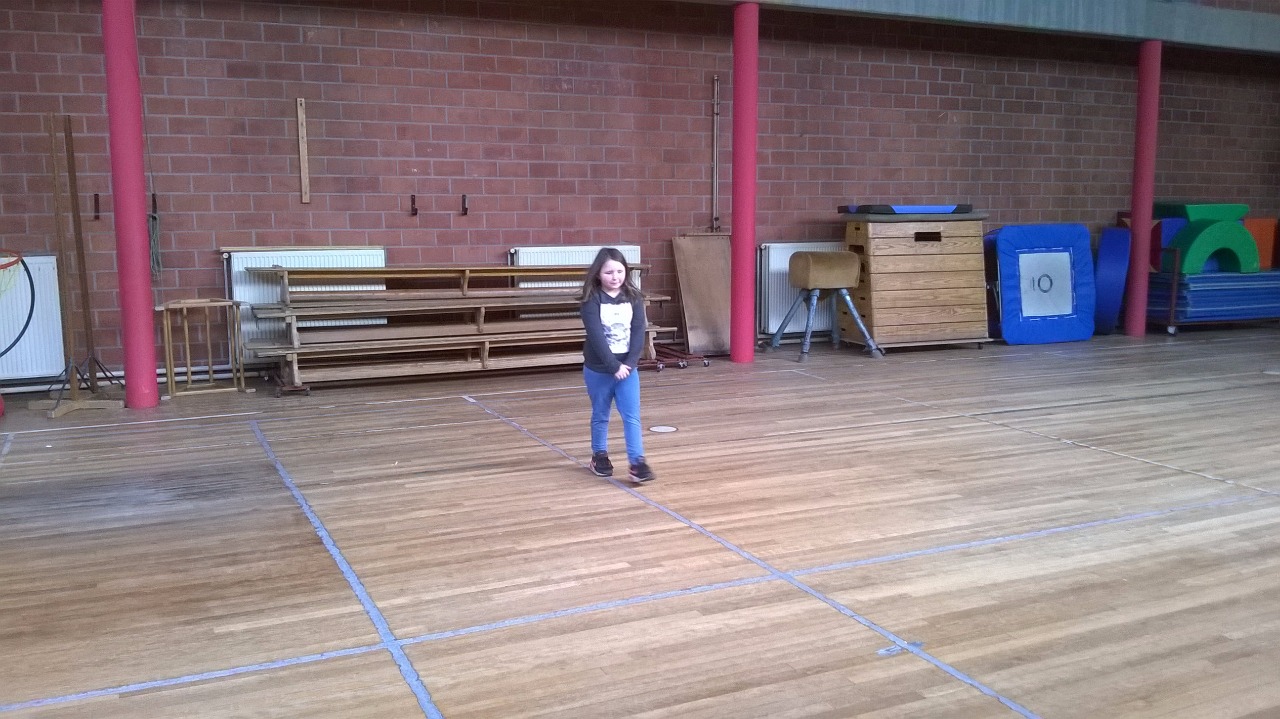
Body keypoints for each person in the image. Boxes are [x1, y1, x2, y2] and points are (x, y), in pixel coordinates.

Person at [579, 247, 655, 483]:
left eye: (620, 271)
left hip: (628, 369)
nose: (615, 277)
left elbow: (638, 332)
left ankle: (637, 462)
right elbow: (596, 337)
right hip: (599, 369)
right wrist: (613, 366)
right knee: (601, 414)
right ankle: (599, 455)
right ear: (598, 274)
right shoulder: (592, 300)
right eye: (609, 272)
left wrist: (630, 364)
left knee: (631, 416)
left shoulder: (634, 298)